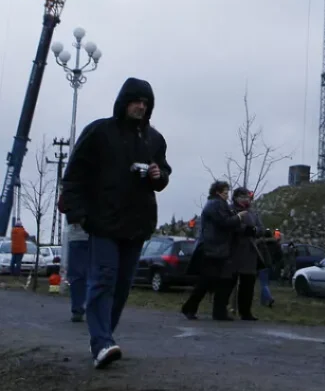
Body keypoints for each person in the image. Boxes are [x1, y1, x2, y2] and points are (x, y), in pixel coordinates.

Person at [60, 77, 171, 369]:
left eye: (145, 103)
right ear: (124, 101)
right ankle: (101, 342)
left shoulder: (154, 139)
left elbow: (162, 177)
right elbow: (74, 175)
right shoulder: (99, 132)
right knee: (104, 278)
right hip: (103, 221)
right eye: (136, 101)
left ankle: (104, 337)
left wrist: (159, 175)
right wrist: (77, 213)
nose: (140, 107)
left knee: (122, 286)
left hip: (137, 224)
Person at [181, 181, 245, 321]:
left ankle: (216, 311)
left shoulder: (217, 205)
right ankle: (190, 307)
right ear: (218, 192)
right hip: (212, 250)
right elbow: (225, 222)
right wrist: (239, 217)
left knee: (218, 281)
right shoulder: (215, 205)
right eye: (225, 192)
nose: (227, 195)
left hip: (217, 249)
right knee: (207, 280)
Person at [228, 188, 265, 321]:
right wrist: (245, 229)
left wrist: (255, 230)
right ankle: (222, 309)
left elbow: (260, 228)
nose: (246, 199)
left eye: (247, 197)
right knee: (229, 283)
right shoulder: (230, 210)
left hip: (250, 252)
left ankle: (246, 312)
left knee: (248, 285)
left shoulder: (253, 213)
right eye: (242, 196)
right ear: (236, 197)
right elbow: (230, 225)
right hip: (233, 252)